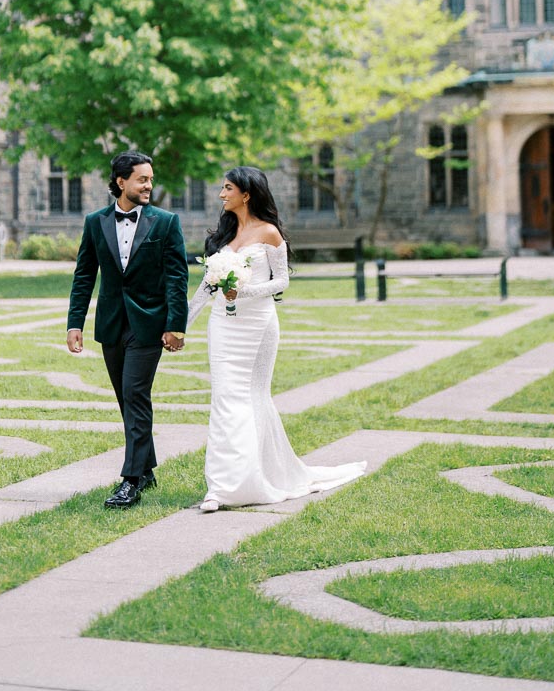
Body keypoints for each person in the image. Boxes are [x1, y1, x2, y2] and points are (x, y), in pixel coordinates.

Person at [188, 165, 366, 512]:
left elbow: (282, 281)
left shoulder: (269, 233)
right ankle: (222, 486)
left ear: (246, 194)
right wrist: (181, 325)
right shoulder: (222, 238)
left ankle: (256, 476)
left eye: (227, 188)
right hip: (223, 326)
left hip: (258, 327)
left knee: (253, 397)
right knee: (224, 398)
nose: (221, 194)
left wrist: (245, 290)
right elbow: (205, 288)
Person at [67, 150, 189, 509]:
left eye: (151, 179)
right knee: (126, 397)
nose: (149, 185)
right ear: (121, 182)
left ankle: (130, 480)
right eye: (142, 179)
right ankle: (146, 468)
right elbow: (84, 274)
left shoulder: (166, 222)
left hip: (149, 324)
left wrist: (175, 326)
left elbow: (176, 277)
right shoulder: (95, 222)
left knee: (135, 394)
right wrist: (75, 322)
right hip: (111, 324)